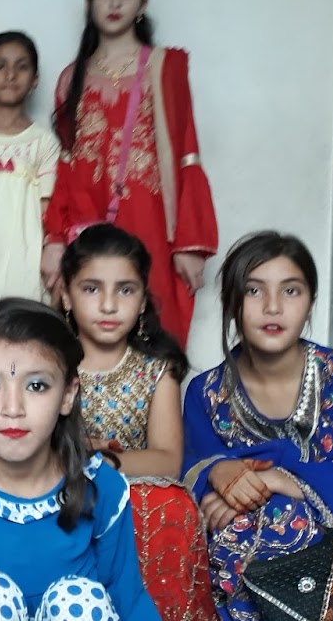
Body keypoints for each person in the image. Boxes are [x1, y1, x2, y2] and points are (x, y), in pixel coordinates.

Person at [182, 231, 333, 620]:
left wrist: (285, 481)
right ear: (232, 302)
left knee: (285, 512)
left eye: (291, 291)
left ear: (311, 302)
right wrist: (217, 471)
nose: (273, 307)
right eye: (254, 291)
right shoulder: (206, 392)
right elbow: (192, 475)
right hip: (244, 568)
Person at [0, 298, 159, 621]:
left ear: (67, 395)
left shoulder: (100, 487)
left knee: (78, 600)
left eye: (36, 385)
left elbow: (129, 598)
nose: (13, 408)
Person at [43, 0, 218, 346]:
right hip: (88, 224)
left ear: (144, 3)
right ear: (88, 2)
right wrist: (54, 240)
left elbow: (187, 152)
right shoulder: (71, 78)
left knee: (155, 331)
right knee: (88, 332)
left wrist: (188, 243)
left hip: (150, 220)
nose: (115, 3)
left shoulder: (165, 67)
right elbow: (67, 167)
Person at [61, 224, 214, 619]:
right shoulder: (47, 364)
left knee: (169, 503)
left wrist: (94, 459)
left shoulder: (156, 369)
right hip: (59, 484)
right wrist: (72, 457)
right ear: (65, 295)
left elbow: (166, 461)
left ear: (144, 300)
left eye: (125, 290)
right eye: (91, 289)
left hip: (132, 492)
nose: (108, 305)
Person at [0, 32, 60, 304]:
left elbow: (48, 211)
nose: (10, 75)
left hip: (23, 265)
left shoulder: (43, 142)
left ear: (35, 80)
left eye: (22, 66)